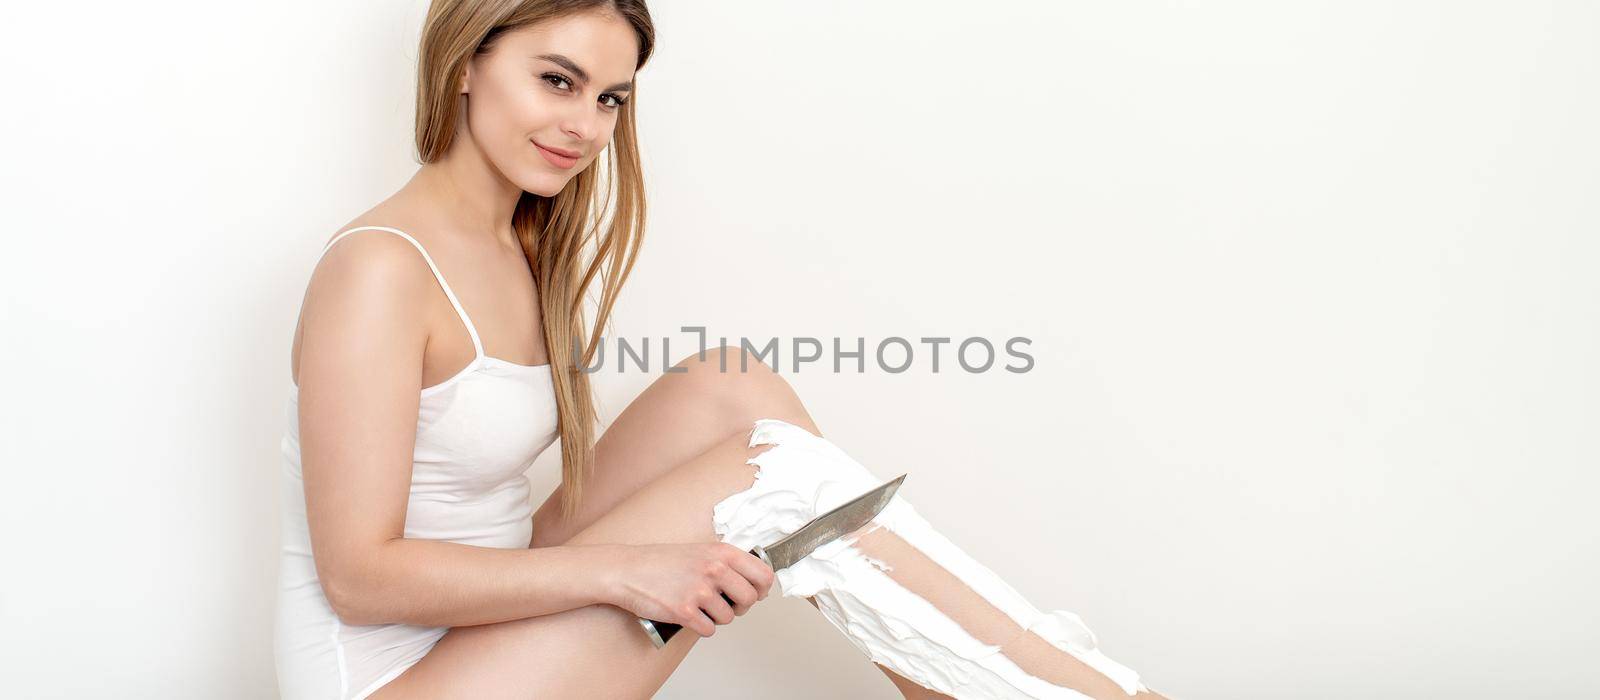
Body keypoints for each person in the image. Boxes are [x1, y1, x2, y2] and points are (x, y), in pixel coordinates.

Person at [275, 1, 1169, 697]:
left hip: (485, 628)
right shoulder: (379, 270)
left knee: (730, 386)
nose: (586, 126)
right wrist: (632, 574)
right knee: (774, 475)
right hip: (396, 681)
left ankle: (981, 687)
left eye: (609, 98)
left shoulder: (523, 247)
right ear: (468, 61)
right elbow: (359, 579)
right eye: (557, 80)